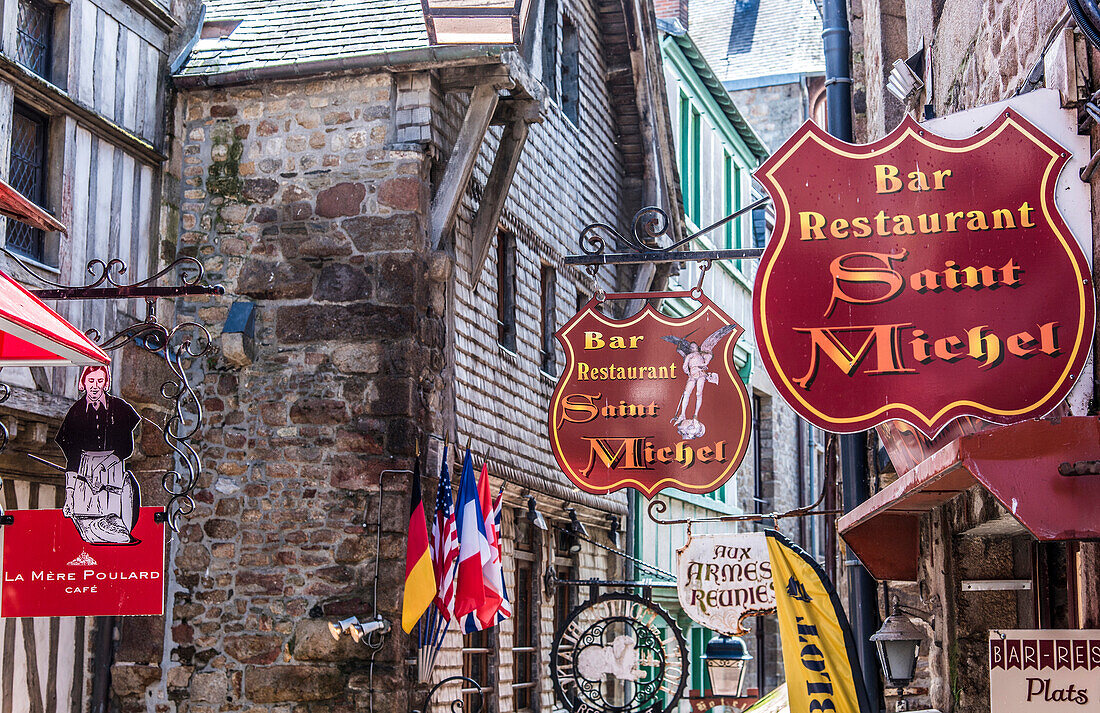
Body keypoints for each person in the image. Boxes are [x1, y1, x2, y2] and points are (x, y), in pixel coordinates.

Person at [55, 365, 141, 544]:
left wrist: (108, 462)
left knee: (114, 518)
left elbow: (126, 445)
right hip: (85, 471)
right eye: (91, 380)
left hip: (112, 468)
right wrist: (70, 493)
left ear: (106, 383)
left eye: (99, 381)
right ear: (84, 383)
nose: (95, 386)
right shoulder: (76, 411)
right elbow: (71, 452)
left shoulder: (119, 408)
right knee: (87, 521)